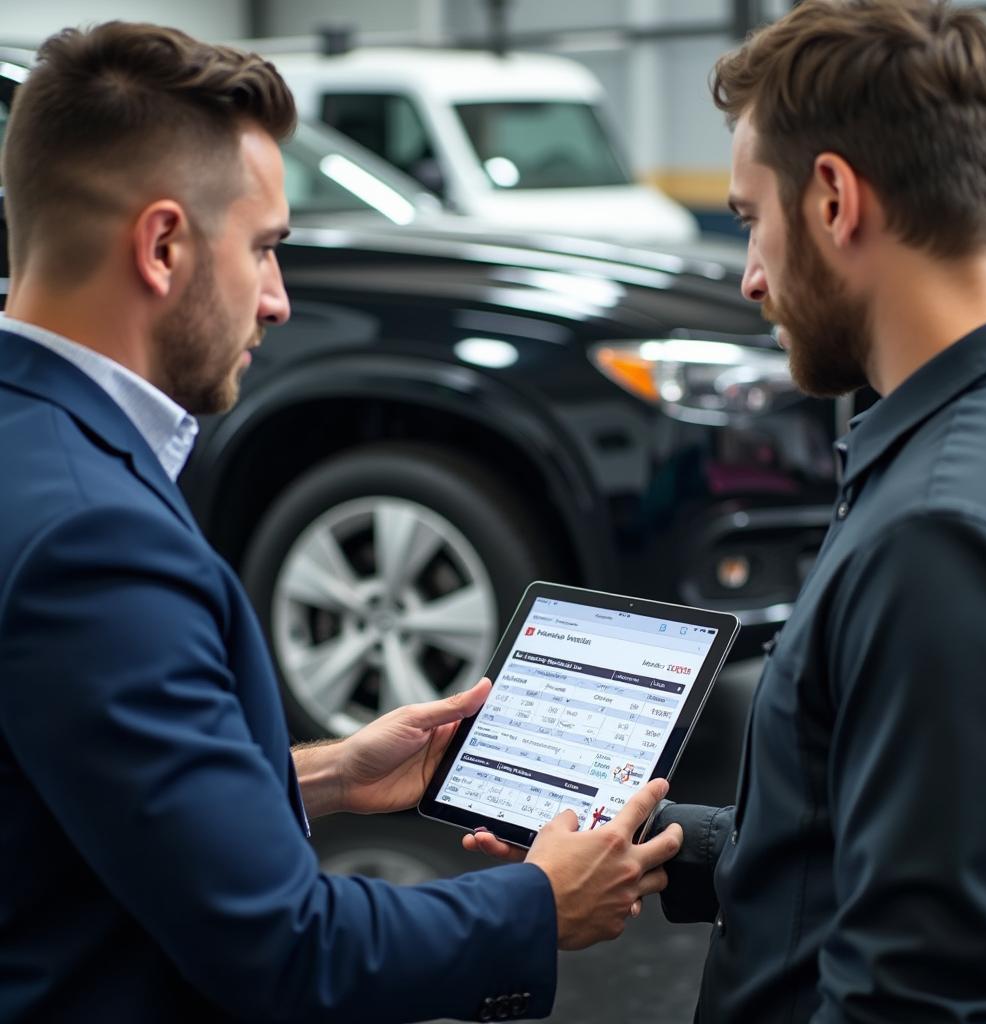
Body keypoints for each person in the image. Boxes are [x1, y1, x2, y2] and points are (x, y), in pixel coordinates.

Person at [0, 22, 683, 1023]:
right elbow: (283, 947)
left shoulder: (31, 443)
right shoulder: (94, 541)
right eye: (267, 248)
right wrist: (539, 902)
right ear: (161, 246)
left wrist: (322, 774)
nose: (277, 300)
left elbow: (71, 786)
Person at [469, 0, 986, 1019]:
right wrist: (662, 841)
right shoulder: (980, 446)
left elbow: (912, 991)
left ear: (830, 199)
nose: (750, 277)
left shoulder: (933, 536)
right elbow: (904, 837)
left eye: (746, 220)